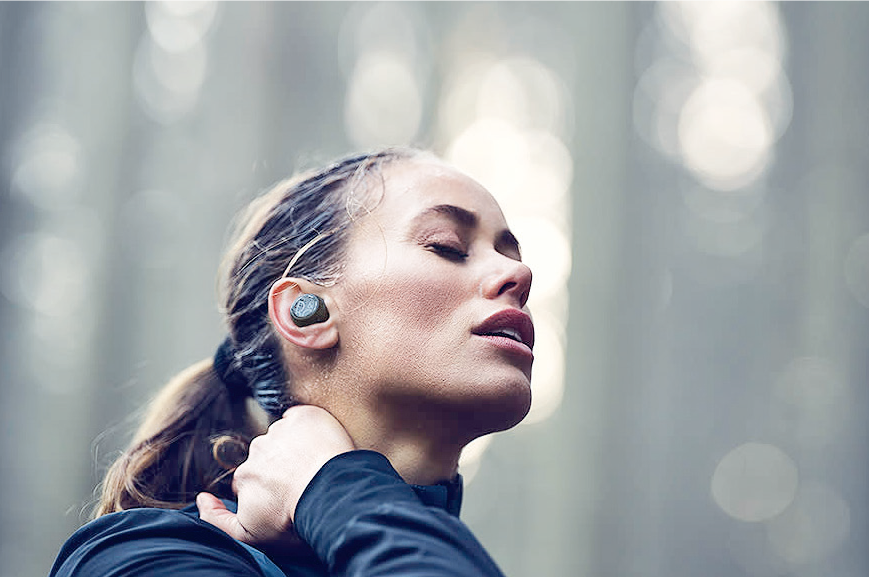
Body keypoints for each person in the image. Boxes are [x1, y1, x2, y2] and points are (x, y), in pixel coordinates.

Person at [49, 147, 535, 576]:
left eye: (508, 252)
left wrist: (332, 496)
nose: (519, 272)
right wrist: (335, 487)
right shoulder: (140, 557)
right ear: (306, 313)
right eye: (447, 246)